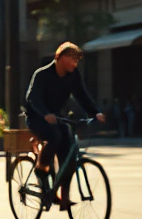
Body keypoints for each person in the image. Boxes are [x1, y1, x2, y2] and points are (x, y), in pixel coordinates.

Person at [24, 42, 105, 207]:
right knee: (55, 137)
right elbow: (33, 98)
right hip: (37, 117)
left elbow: (82, 94)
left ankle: (64, 197)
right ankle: (42, 167)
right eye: (71, 58)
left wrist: (95, 112)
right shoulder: (42, 74)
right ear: (58, 57)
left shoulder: (73, 75)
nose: (74, 63)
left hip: (58, 117)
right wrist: (45, 113)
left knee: (68, 152)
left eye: (76, 60)